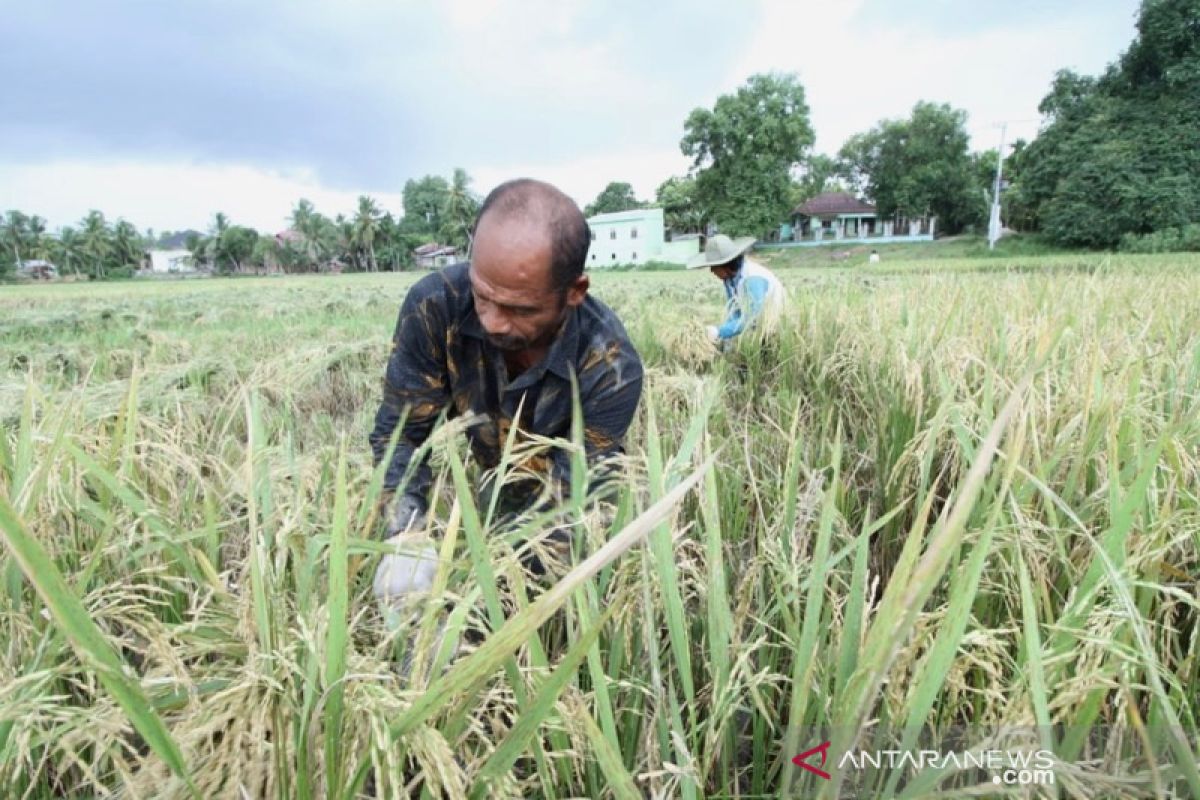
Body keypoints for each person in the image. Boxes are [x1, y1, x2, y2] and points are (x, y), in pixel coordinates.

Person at [369, 178, 644, 606]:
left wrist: (490, 605)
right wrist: (407, 531)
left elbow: (574, 500)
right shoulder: (435, 306)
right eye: (483, 296)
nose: (494, 322)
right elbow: (401, 435)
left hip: (556, 486)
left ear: (574, 292)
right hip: (492, 469)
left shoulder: (609, 367)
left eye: (520, 309)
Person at [687, 234, 786, 345]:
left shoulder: (753, 279)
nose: (711, 271)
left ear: (724, 265)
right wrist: (723, 336)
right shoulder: (729, 279)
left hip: (774, 326)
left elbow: (753, 319)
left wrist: (719, 332)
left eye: (714, 267)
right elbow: (734, 311)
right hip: (757, 327)